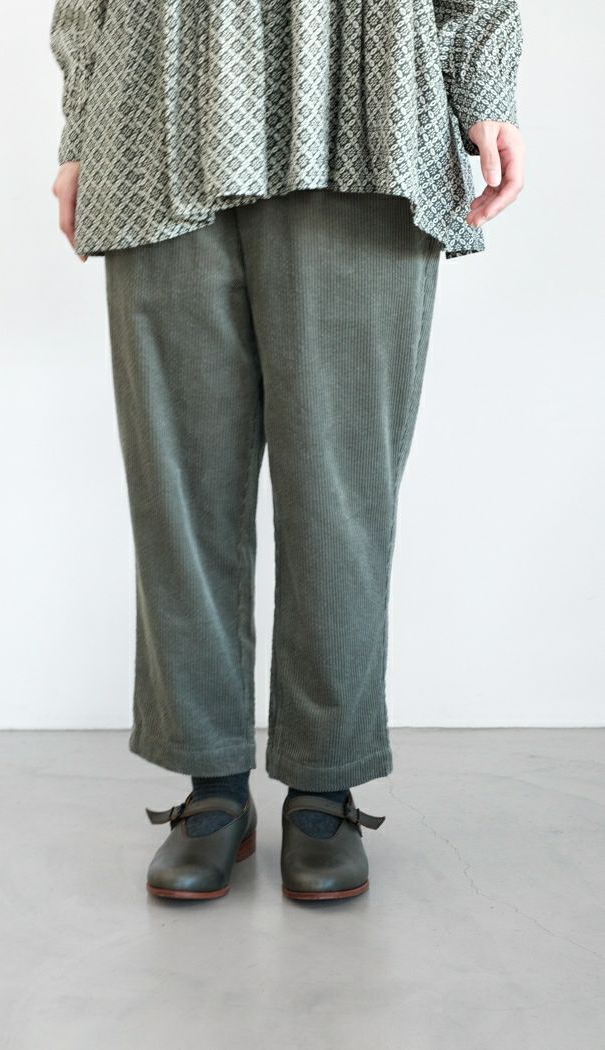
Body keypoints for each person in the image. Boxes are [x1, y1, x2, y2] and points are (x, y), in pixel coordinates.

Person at [50, 0, 524, 902]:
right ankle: (212, 785)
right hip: (152, 112)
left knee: (340, 488)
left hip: (368, 109)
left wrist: (484, 90)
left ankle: (324, 783)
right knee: (179, 485)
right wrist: (79, 128)